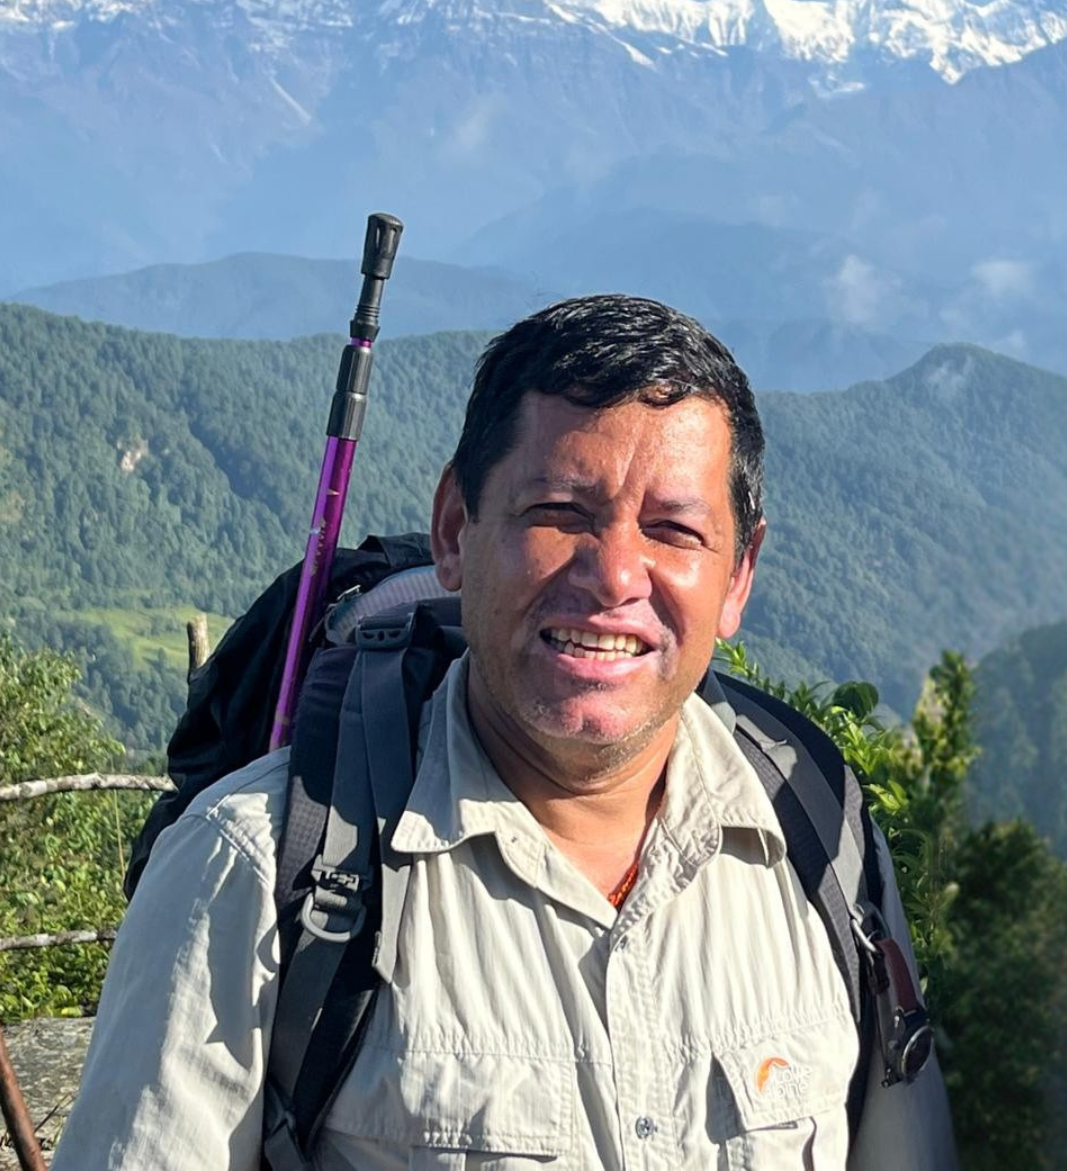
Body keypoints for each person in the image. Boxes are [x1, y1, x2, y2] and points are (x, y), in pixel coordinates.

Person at [53, 294, 956, 1169]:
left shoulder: (821, 844)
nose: (614, 577)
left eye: (674, 530)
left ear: (738, 576)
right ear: (455, 529)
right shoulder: (249, 873)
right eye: (560, 514)